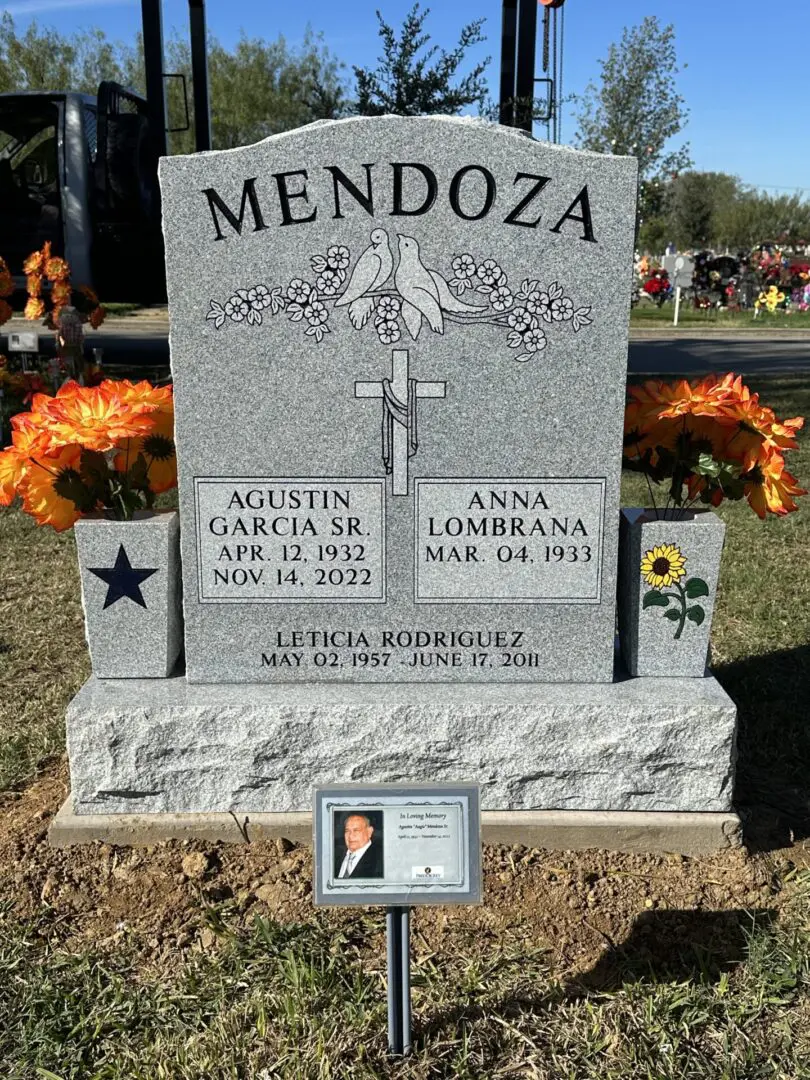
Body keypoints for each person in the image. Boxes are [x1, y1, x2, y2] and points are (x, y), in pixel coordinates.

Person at [334, 812, 384, 879]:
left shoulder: (381, 860)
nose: (351, 836)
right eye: (347, 831)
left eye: (356, 830)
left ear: (369, 832)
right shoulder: (335, 854)